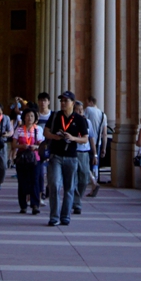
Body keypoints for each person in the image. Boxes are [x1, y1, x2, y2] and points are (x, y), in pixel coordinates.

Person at [45, 92, 88, 227]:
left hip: (71, 157)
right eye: (61, 101)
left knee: (69, 187)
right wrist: (55, 136)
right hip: (56, 155)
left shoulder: (80, 119)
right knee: (54, 184)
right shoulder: (55, 116)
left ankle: (65, 215)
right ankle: (54, 216)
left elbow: (85, 138)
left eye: (66, 101)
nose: (63, 103)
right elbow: (45, 132)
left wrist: (73, 138)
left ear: (73, 103)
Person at [11, 109, 44, 214]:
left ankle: (35, 204)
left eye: (32, 116)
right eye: (28, 116)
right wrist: (21, 146)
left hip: (35, 159)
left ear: (35, 118)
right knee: (22, 182)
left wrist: (36, 146)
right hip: (22, 159)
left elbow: (42, 145)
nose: (30, 118)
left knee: (35, 181)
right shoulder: (19, 130)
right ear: (24, 117)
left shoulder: (38, 129)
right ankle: (23, 205)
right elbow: (14, 144)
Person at [83, 95, 105, 197]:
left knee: (84, 164)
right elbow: (104, 133)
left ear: (91, 102)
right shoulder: (103, 114)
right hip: (98, 143)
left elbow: (83, 123)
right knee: (94, 165)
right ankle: (93, 183)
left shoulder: (88, 110)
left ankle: (93, 183)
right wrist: (104, 147)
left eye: (87, 102)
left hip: (87, 142)